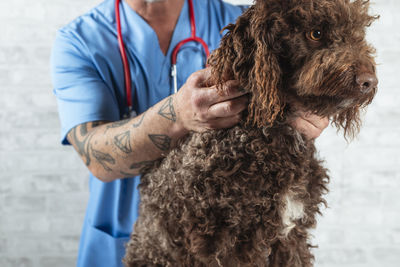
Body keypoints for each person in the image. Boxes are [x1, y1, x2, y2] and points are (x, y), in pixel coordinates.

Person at [51, 0, 329, 266]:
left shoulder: (248, 25)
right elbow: (95, 155)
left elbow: (319, 66)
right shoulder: (79, 40)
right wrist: (177, 115)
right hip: (121, 241)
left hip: (234, 244)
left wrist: (314, 105)